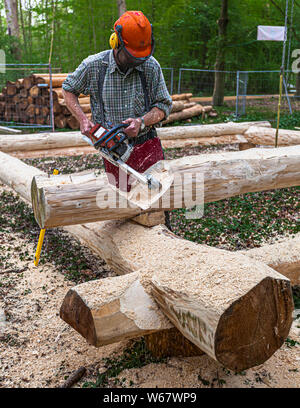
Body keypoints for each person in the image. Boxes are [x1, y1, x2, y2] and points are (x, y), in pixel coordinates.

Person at [62, 10, 172, 226]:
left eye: (141, 57)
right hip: (113, 151)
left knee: (158, 208)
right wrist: (83, 120)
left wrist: (142, 122)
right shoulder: (94, 66)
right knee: (124, 212)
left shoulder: (150, 66)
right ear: (116, 43)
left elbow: (164, 106)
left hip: (146, 144)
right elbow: (68, 89)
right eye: (132, 57)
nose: (137, 62)